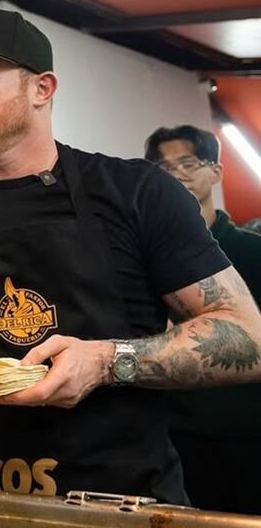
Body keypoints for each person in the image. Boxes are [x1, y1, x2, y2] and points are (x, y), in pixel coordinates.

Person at [0, 8, 261, 504]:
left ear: (42, 88)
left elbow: (248, 337)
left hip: (126, 507)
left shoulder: (135, 194)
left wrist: (107, 360)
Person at [144, 124, 261, 513]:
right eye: (162, 166)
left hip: (250, 436)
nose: (176, 173)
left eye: (188, 163)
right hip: (174, 440)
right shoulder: (143, 259)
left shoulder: (252, 251)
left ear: (216, 172)